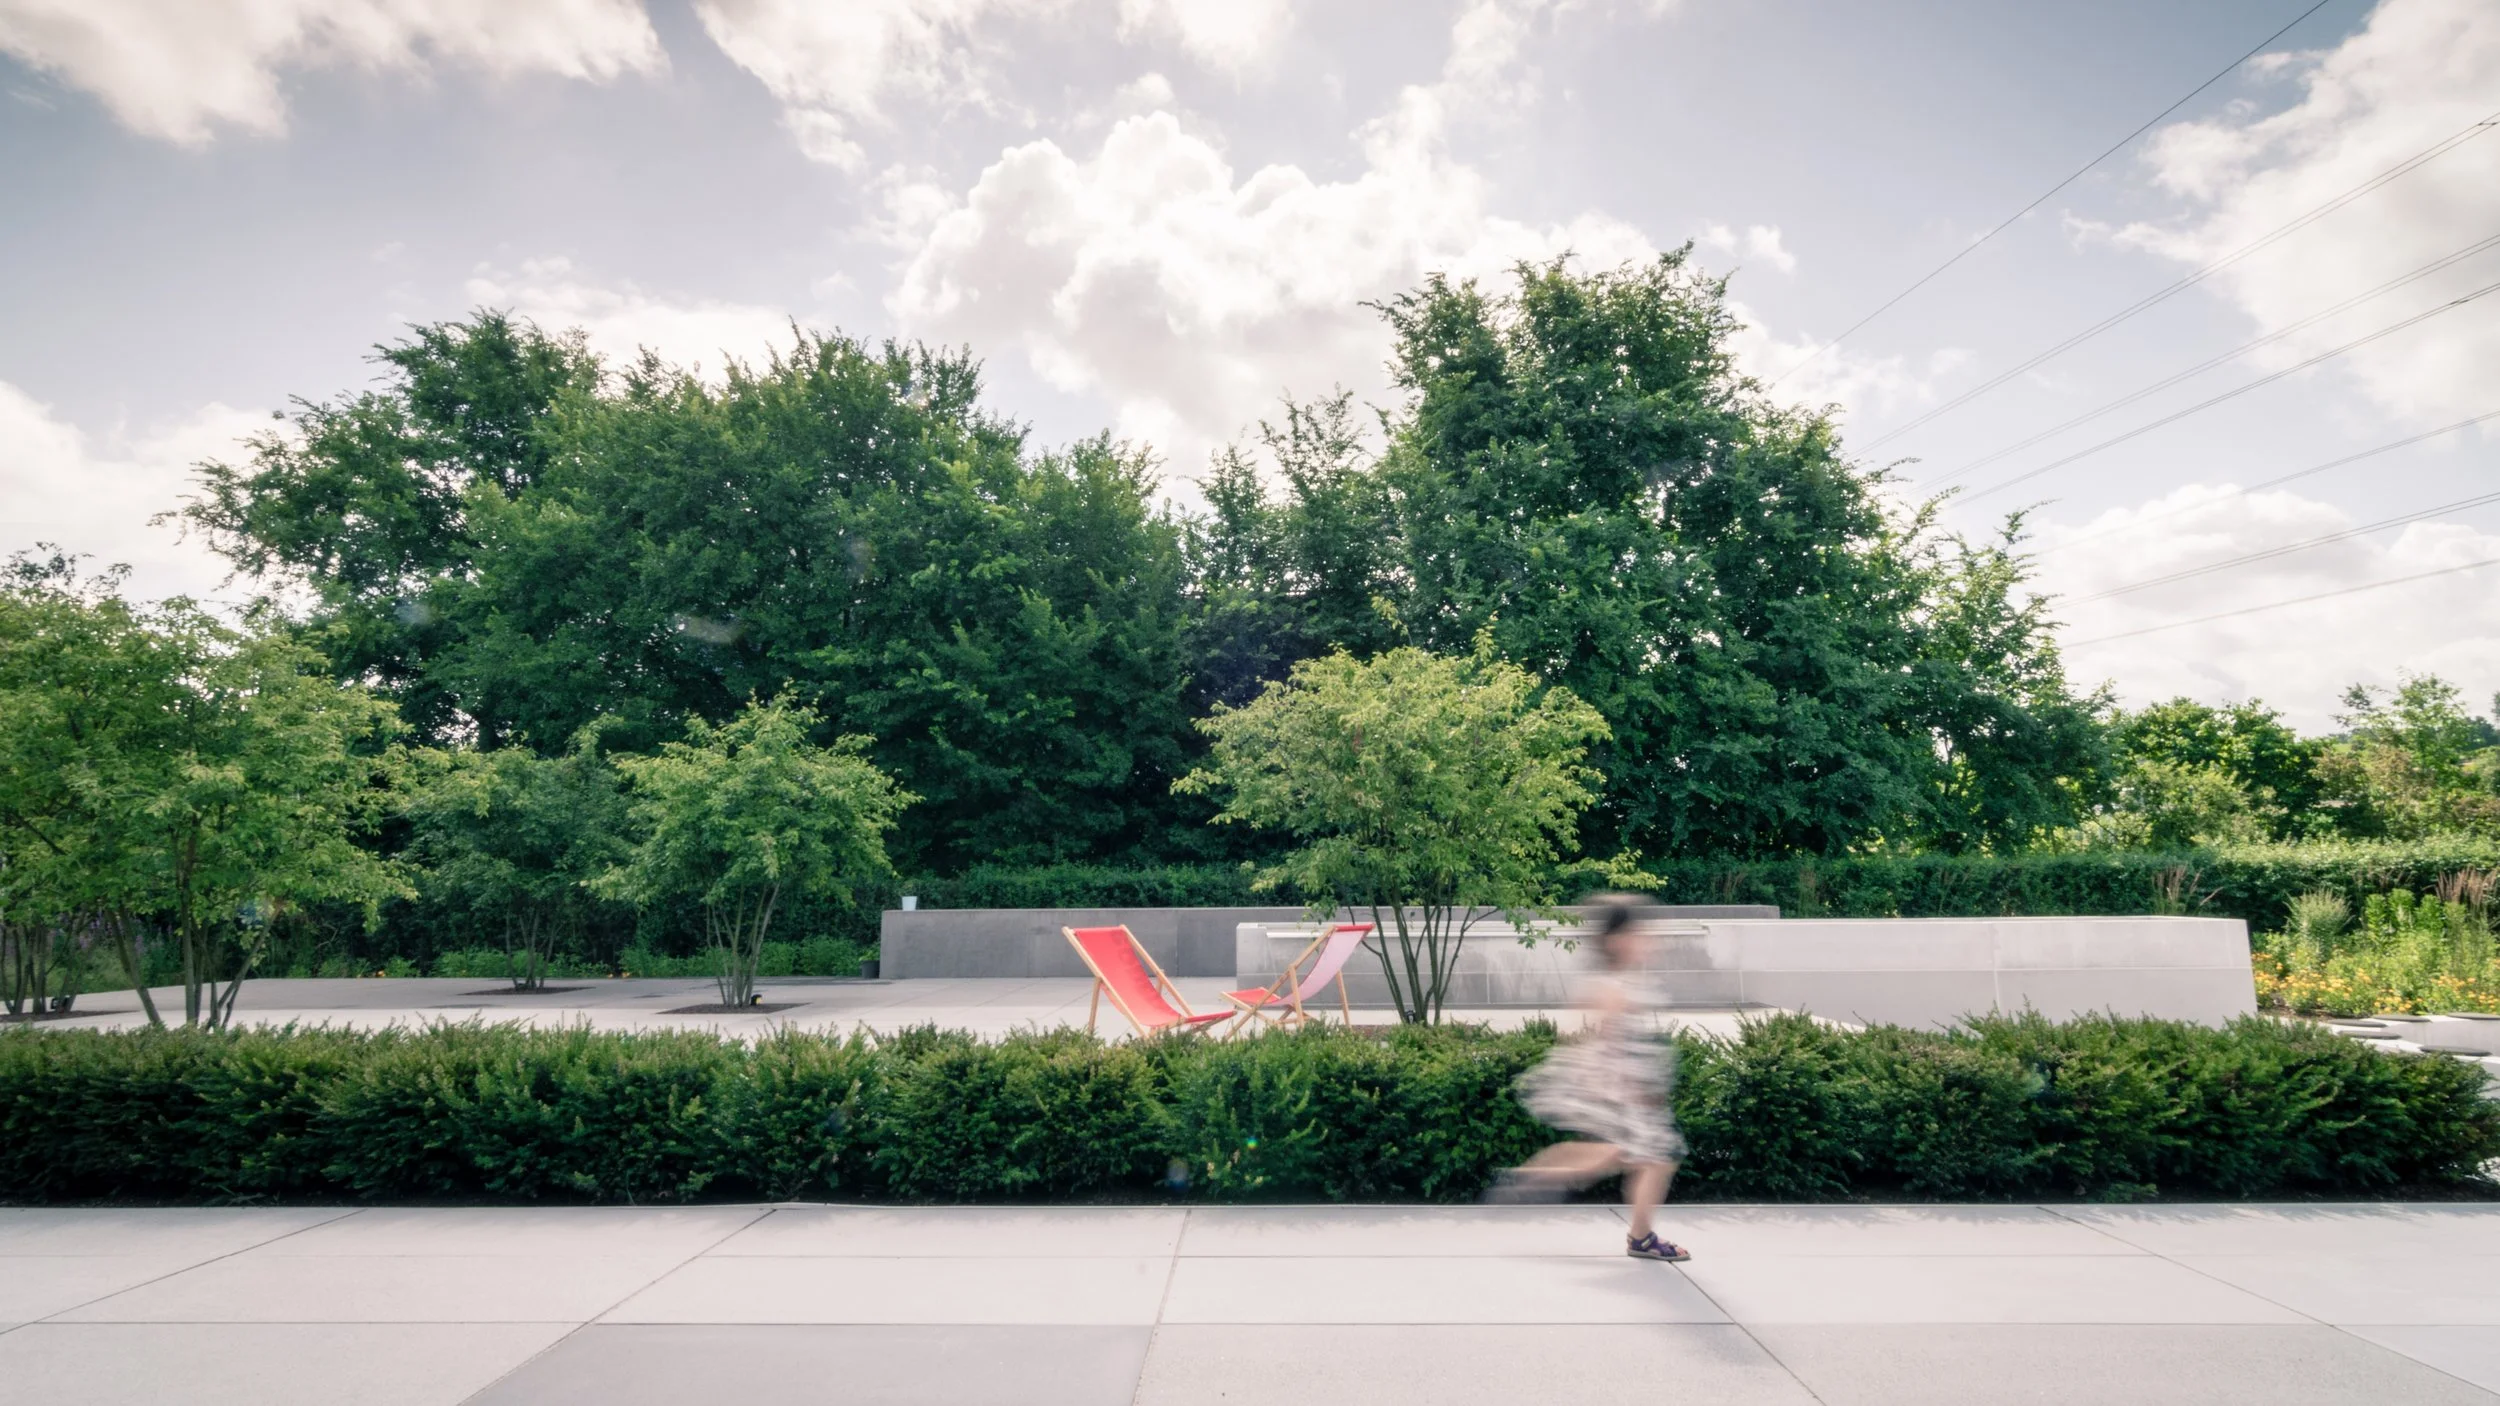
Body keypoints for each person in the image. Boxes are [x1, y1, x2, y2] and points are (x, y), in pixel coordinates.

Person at [1487, 894, 1690, 1262]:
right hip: (1630, 1093)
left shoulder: (1619, 980)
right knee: (1657, 1158)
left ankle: (1532, 1176)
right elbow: (1602, 1036)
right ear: (1617, 940)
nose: (1647, 942)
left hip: (1633, 1091)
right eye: (1638, 934)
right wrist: (1624, 1088)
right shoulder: (1613, 986)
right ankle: (1640, 1237)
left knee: (1626, 1155)